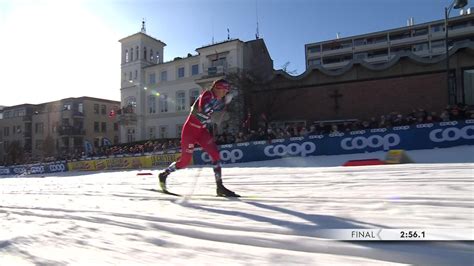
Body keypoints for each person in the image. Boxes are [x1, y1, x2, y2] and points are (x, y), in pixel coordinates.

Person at [158, 79, 239, 197]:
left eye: (227, 91)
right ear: (217, 87)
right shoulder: (207, 94)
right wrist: (222, 103)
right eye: (224, 90)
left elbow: (210, 111)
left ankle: (219, 186)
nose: (225, 93)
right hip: (190, 131)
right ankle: (164, 174)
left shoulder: (216, 98)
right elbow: (204, 109)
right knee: (184, 162)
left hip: (201, 131)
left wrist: (221, 104)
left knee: (215, 155)